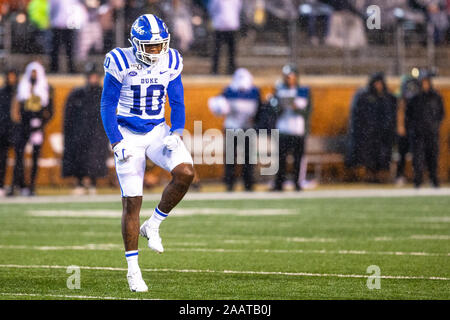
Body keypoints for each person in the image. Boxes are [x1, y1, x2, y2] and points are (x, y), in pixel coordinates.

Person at [100, 14, 194, 292]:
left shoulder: (172, 60)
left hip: (157, 130)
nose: (156, 51)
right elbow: (107, 105)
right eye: (149, 46)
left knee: (186, 172)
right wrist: (116, 142)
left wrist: (176, 132)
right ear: (136, 43)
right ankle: (133, 270)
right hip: (127, 132)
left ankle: (153, 225)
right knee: (132, 201)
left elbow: (177, 100)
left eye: (159, 45)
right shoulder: (119, 60)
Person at [208, 68, 261, 191]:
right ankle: (230, 184)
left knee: (248, 158)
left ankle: (248, 184)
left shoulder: (254, 91)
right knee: (231, 159)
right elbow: (217, 106)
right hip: (232, 127)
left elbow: (259, 110)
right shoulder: (228, 91)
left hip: (247, 128)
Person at [62, 64, 109, 195]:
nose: (93, 79)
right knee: (79, 157)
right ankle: (79, 182)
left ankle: (93, 183)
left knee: (95, 158)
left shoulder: (102, 93)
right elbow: (69, 115)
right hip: (80, 133)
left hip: (97, 133)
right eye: (91, 76)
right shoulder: (77, 93)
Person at [9, 61, 53, 196]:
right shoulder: (22, 87)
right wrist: (20, 122)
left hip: (37, 126)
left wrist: (40, 124)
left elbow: (49, 111)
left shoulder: (46, 88)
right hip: (24, 126)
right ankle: (17, 184)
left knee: (35, 157)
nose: (33, 75)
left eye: (36, 72)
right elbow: (17, 107)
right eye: (32, 72)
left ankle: (31, 186)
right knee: (19, 156)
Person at [345, 72, 397, 183]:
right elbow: (357, 116)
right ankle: (370, 175)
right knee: (368, 156)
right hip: (368, 134)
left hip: (382, 134)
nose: (378, 86)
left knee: (382, 156)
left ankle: (380, 176)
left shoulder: (387, 97)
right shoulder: (363, 96)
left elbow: (391, 115)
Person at [271, 64, 312, 191]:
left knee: (298, 159)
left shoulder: (304, 91)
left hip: (297, 130)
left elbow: (308, 111)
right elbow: (273, 110)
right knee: (281, 158)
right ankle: (279, 184)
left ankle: (297, 183)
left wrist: (296, 108)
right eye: (287, 76)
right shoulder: (279, 90)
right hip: (283, 129)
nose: (289, 79)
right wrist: (281, 107)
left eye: (291, 76)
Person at [406, 71, 445, 188]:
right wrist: (414, 127)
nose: (425, 85)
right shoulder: (414, 98)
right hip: (418, 134)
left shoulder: (436, 97)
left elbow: (441, 113)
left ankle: (434, 180)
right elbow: (409, 115)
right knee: (418, 159)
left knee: (432, 157)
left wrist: (434, 125)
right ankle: (417, 181)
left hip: (432, 133)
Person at [395, 72, 421, 186]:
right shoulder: (403, 96)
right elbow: (401, 109)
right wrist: (401, 126)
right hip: (406, 128)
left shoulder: (417, 95)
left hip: (414, 128)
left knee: (417, 153)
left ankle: (417, 176)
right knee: (402, 153)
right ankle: (399, 175)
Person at [208, 0, 243, 74]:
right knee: (217, 51)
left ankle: (231, 69)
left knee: (231, 51)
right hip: (220, 27)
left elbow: (238, 9)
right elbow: (211, 9)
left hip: (231, 26)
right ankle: (215, 70)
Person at [0, 69, 19, 197]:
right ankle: (1, 185)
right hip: (3, 131)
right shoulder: (2, 93)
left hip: (17, 131)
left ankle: (15, 186)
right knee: (2, 160)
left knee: (19, 161)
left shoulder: (20, 93)